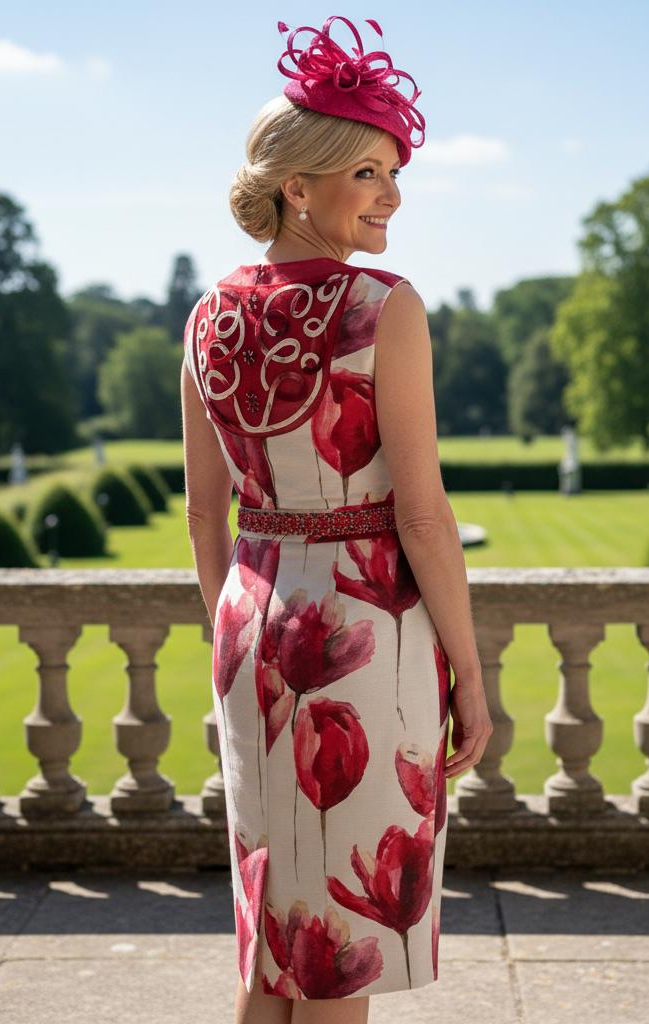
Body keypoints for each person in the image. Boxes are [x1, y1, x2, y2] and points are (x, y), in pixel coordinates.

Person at [180, 16, 491, 1023]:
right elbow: (424, 514)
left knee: (274, 937)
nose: (392, 195)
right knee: (335, 955)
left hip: (249, 619)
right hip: (365, 632)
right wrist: (470, 673)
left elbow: (202, 510)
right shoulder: (383, 306)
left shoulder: (204, 314)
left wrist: (230, 631)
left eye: (395, 173)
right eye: (368, 172)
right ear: (297, 187)